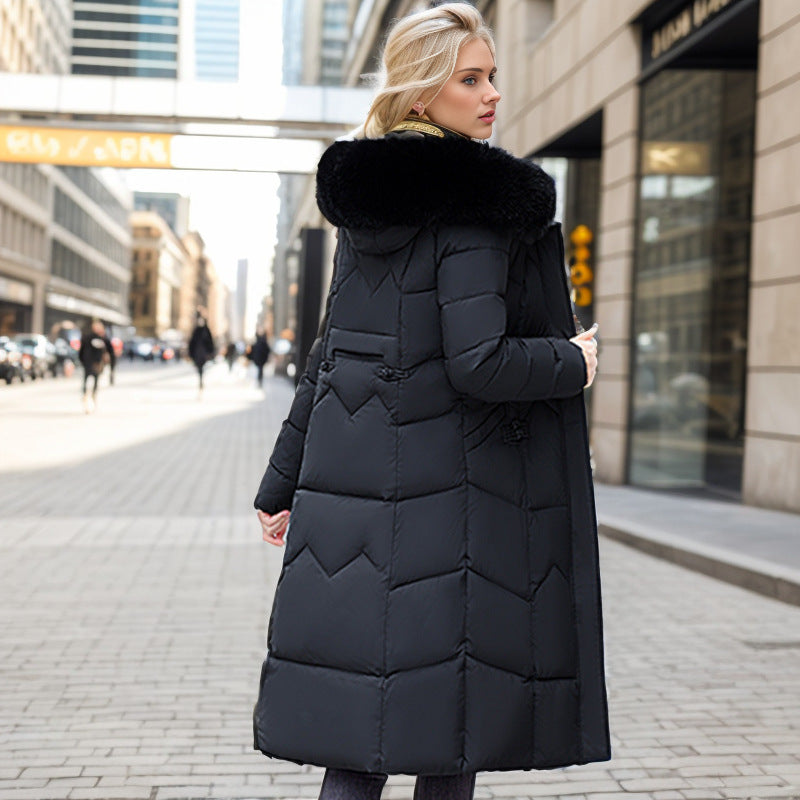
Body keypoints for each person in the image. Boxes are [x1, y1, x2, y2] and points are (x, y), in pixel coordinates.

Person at [252, 5, 609, 800]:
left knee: (361, 742)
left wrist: (281, 485)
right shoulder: (475, 204)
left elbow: (329, 355)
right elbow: (479, 361)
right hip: (455, 514)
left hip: (359, 511)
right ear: (420, 94)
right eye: (470, 79)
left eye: (492, 77)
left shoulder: (367, 211)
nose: (492, 95)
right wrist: (572, 361)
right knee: (450, 735)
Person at [78, 318, 115, 414]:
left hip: (95, 364)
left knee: (92, 382)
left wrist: (111, 370)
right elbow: (81, 352)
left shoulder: (102, 339)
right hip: (91, 364)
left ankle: (91, 400)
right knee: (89, 383)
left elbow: (111, 354)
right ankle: (88, 400)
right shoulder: (94, 338)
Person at [188, 314, 215, 394]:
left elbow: (210, 342)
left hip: (203, 353)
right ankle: (201, 379)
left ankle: (201, 378)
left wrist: (210, 352)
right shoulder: (197, 330)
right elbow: (192, 342)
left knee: (201, 367)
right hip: (198, 353)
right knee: (199, 367)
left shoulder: (206, 330)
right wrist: (191, 353)